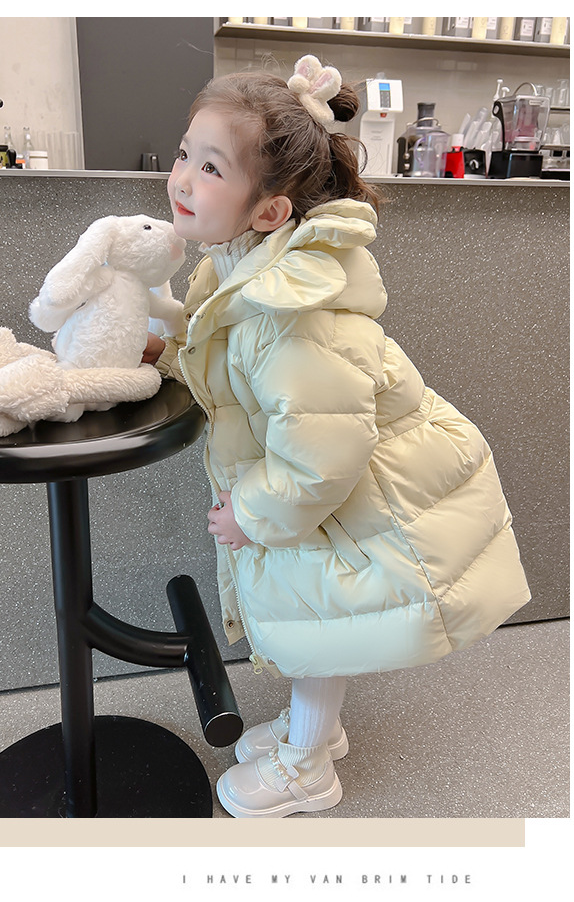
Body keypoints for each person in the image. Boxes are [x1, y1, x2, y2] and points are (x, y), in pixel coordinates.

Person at [144, 55, 531, 819]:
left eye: (210, 166)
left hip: (358, 497)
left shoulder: (291, 315)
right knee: (315, 612)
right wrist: (170, 353)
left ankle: (307, 765)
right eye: (185, 153)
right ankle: (312, 728)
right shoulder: (244, 268)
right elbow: (232, 366)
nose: (182, 177)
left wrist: (250, 511)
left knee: (318, 618)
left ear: (269, 211)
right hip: (334, 486)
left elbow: (323, 455)